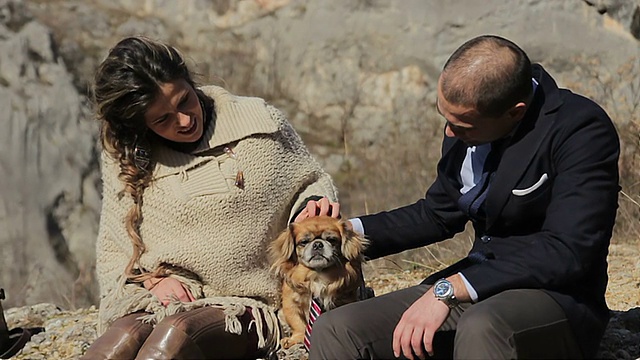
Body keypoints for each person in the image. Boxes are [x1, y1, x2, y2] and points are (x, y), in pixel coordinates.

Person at [308, 35, 620, 359]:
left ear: (515, 113)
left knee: (481, 325)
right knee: (337, 328)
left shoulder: (580, 129)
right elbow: (436, 214)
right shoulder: (467, 123)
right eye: (445, 117)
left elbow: (567, 250)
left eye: (462, 127)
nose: (449, 133)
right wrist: (338, 233)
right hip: (471, 287)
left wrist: (449, 290)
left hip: (553, 297)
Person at [81, 36, 340, 359]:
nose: (185, 120)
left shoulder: (257, 123)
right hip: (167, 292)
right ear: (140, 125)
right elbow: (116, 243)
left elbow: (309, 182)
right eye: (163, 119)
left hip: (249, 301)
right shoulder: (127, 155)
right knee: (120, 340)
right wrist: (150, 282)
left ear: (191, 82)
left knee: (175, 336)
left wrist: (310, 208)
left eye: (184, 100)